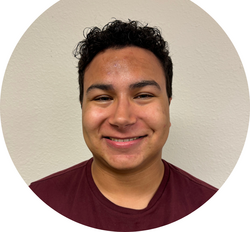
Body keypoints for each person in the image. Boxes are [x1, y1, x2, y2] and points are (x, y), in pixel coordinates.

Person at [30, 20, 218, 231]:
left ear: (168, 106)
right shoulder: (35, 203)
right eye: (102, 98)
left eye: (144, 95)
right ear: (82, 107)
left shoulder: (218, 211)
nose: (122, 118)